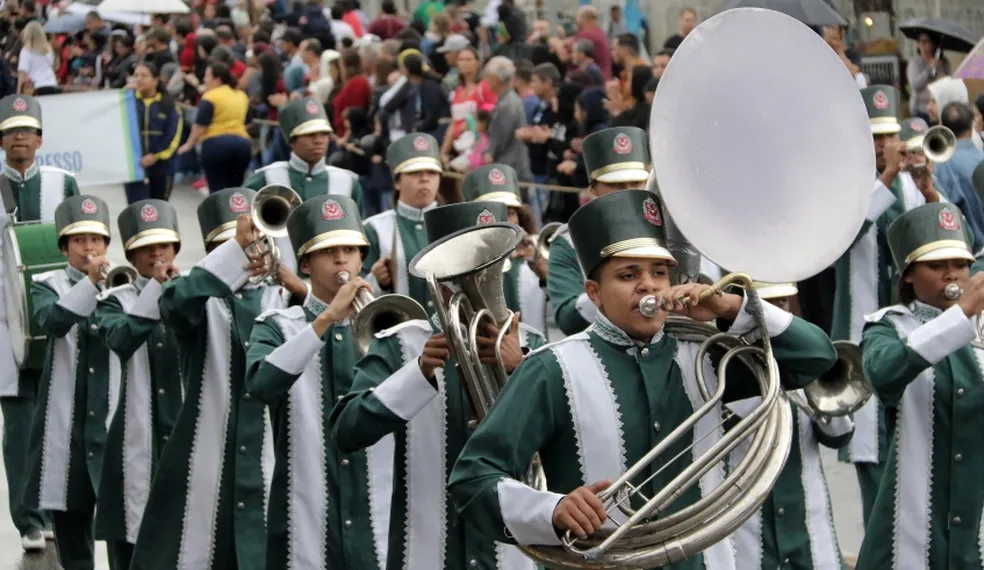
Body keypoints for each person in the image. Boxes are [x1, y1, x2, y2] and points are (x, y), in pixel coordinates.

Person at [447, 189, 837, 570]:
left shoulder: (709, 355)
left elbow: (815, 356)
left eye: (660, 272)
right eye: (628, 274)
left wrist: (730, 306)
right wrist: (551, 509)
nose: (649, 285)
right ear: (594, 294)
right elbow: (473, 478)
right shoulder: (551, 367)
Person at [330, 200, 544, 570]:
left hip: (514, 555)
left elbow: (564, 450)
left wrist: (520, 368)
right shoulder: (400, 343)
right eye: (452, 274)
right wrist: (417, 373)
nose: (465, 285)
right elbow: (346, 430)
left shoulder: (535, 345)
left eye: (488, 268)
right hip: (425, 550)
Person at [129, 188, 308, 570]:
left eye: (257, 241)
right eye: (236, 245)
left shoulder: (280, 296)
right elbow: (174, 307)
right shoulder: (197, 295)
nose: (251, 251)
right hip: (206, 453)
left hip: (278, 450)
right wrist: (232, 254)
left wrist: (302, 292)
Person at [246, 194, 394, 568]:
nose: (342, 259)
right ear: (306, 264)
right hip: (304, 508)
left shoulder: (393, 327)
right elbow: (262, 385)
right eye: (328, 251)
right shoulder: (277, 327)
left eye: (350, 249)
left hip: (379, 506)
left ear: (363, 258)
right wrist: (326, 319)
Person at [832, 86, 940, 526]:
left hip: (912, 337)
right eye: (873, 138)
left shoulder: (914, 185)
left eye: (888, 136)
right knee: (874, 459)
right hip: (862, 342)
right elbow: (842, 239)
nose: (882, 146)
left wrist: (929, 191)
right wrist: (886, 179)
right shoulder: (841, 183)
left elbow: (949, 245)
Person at [856, 202, 982, 570]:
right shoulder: (887, 327)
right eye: (936, 266)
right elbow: (883, 374)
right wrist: (959, 318)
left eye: (960, 264)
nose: (952, 275)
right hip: (911, 518)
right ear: (908, 274)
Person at [23, 195, 121, 570]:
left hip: (114, 421)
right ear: (65, 248)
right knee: (71, 517)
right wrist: (90, 285)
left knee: (123, 521)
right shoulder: (45, 283)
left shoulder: (125, 283)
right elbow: (53, 321)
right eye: (79, 240)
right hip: (66, 425)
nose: (89, 248)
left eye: (96, 240)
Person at [0, 93, 79, 552]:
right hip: (5, 322)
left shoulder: (62, 181)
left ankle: (52, 508)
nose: (20, 138)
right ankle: (28, 517)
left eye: (27, 131)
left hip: (56, 314)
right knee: (20, 422)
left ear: (41, 138)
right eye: (12, 132)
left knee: (59, 416)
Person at [732, 281, 853, 570]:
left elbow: (839, 436)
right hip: (749, 536)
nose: (774, 312)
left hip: (810, 529)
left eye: (782, 303)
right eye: (767, 305)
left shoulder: (806, 366)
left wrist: (818, 387)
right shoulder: (725, 368)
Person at [93, 199, 185, 570]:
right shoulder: (113, 301)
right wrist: (156, 291)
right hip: (133, 433)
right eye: (146, 247)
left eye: (164, 245)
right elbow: (120, 340)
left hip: (185, 428)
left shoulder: (194, 293)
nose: (157, 253)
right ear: (130, 254)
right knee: (129, 539)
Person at [547, 126, 650, 335]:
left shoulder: (674, 231)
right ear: (593, 190)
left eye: (637, 182)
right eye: (616, 185)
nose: (628, 192)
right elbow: (567, 319)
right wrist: (609, 289)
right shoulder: (568, 243)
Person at [460, 163, 547, 335]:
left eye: (510, 213)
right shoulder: (464, 263)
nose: (505, 221)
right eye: (493, 213)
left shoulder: (535, 255)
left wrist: (544, 271)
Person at [361, 133, 443, 313]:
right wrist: (377, 281)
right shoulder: (374, 228)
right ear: (397, 182)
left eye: (432, 172)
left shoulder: (454, 225)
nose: (425, 178)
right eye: (415, 172)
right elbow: (354, 291)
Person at [244, 97, 366, 214]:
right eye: (310, 134)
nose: (318, 140)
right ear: (292, 141)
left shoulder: (348, 182)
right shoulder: (266, 178)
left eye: (324, 134)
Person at [177, 61, 252, 193]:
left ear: (217, 79)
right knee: (235, 190)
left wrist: (189, 144)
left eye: (207, 76)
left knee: (217, 189)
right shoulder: (242, 96)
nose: (204, 80)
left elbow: (200, 125)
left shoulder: (211, 96)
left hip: (216, 144)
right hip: (242, 144)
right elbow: (249, 122)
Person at [125, 62, 183, 204]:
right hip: (135, 167)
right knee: (136, 209)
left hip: (162, 167)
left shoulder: (168, 105)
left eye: (144, 75)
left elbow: (173, 137)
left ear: (155, 80)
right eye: (136, 75)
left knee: (159, 209)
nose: (139, 79)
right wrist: (123, 94)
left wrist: (156, 156)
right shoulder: (128, 102)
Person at [935, 102, 984, 248]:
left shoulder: (943, 165)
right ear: (971, 126)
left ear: (941, 125)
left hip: (967, 253)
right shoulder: (981, 156)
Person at [17, 20, 59, 95]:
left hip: (36, 87)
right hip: (52, 84)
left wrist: (19, 93)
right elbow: (54, 67)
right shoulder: (48, 49)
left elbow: (22, 74)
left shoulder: (26, 51)